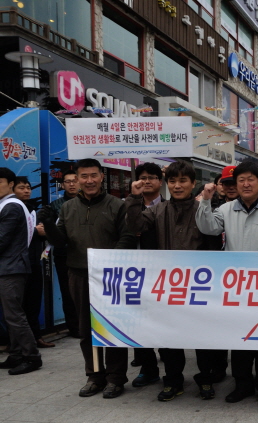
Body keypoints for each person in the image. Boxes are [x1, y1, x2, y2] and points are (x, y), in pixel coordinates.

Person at [126, 161, 224, 401]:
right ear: (167, 184)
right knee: (169, 338)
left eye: (183, 181)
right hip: (168, 286)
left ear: (192, 183)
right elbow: (135, 225)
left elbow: (214, 245)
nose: (177, 186)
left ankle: (205, 379)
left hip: (200, 287)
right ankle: (172, 380)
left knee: (202, 338)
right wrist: (133, 198)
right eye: (173, 181)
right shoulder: (157, 210)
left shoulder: (202, 208)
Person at [41, 159, 137, 398]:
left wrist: (105, 264)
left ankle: (115, 378)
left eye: (93, 175)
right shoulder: (68, 207)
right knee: (86, 330)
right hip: (79, 274)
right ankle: (95, 375)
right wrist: (47, 224)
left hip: (110, 277)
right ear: (77, 179)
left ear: (102, 177)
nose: (89, 180)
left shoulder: (117, 205)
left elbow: (127, 238)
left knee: (112, 328)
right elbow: (61, 241)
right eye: (84, 176)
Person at [196, 162, 258, 404]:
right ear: (235, 184)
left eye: (251, 179)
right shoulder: (226, 210)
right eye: (241, 180)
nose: (246, 184)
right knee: (239, 338)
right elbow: (208, 227)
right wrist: (205, 200)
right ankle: (242, 383)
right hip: (236, 287)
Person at [0, 168, 41, 375]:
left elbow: (1, 240)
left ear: (10, 184)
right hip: (10, 267)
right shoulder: (9, 205)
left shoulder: (11, 207)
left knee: (15, 315)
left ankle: (32, 356)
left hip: (11, 267)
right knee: (12, 314)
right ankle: (16, 353)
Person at [127, 162, 164, 386]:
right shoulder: (128, 205)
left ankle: (172, 371)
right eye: (142, 177)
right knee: (137, 323)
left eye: (152, 177)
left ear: (160, 182)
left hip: (160, 274)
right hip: (133, 273)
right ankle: (148, 367)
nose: (147, 181)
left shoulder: (168, 207)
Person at [38, 170, 80, 338]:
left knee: (86, 291)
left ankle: (87, 324)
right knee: (67, 291)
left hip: (85, 254)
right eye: (68, 181)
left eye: (74, 181)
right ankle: (74, 327)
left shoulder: (87, 202)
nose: (71, 184)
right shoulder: (56, 205)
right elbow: (43, 220)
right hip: (63, 254)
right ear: (62, 185)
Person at [13, 178, 52, 350]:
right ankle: (17, 343)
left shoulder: (32, 209)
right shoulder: (11, 209)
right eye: (21, 188)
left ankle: (36, 336)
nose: (27, 191)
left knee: (34, 302)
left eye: (28, 188)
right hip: (17, 264)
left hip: (34, 262)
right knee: (17, 306)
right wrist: (35, 232)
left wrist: (44, 232)